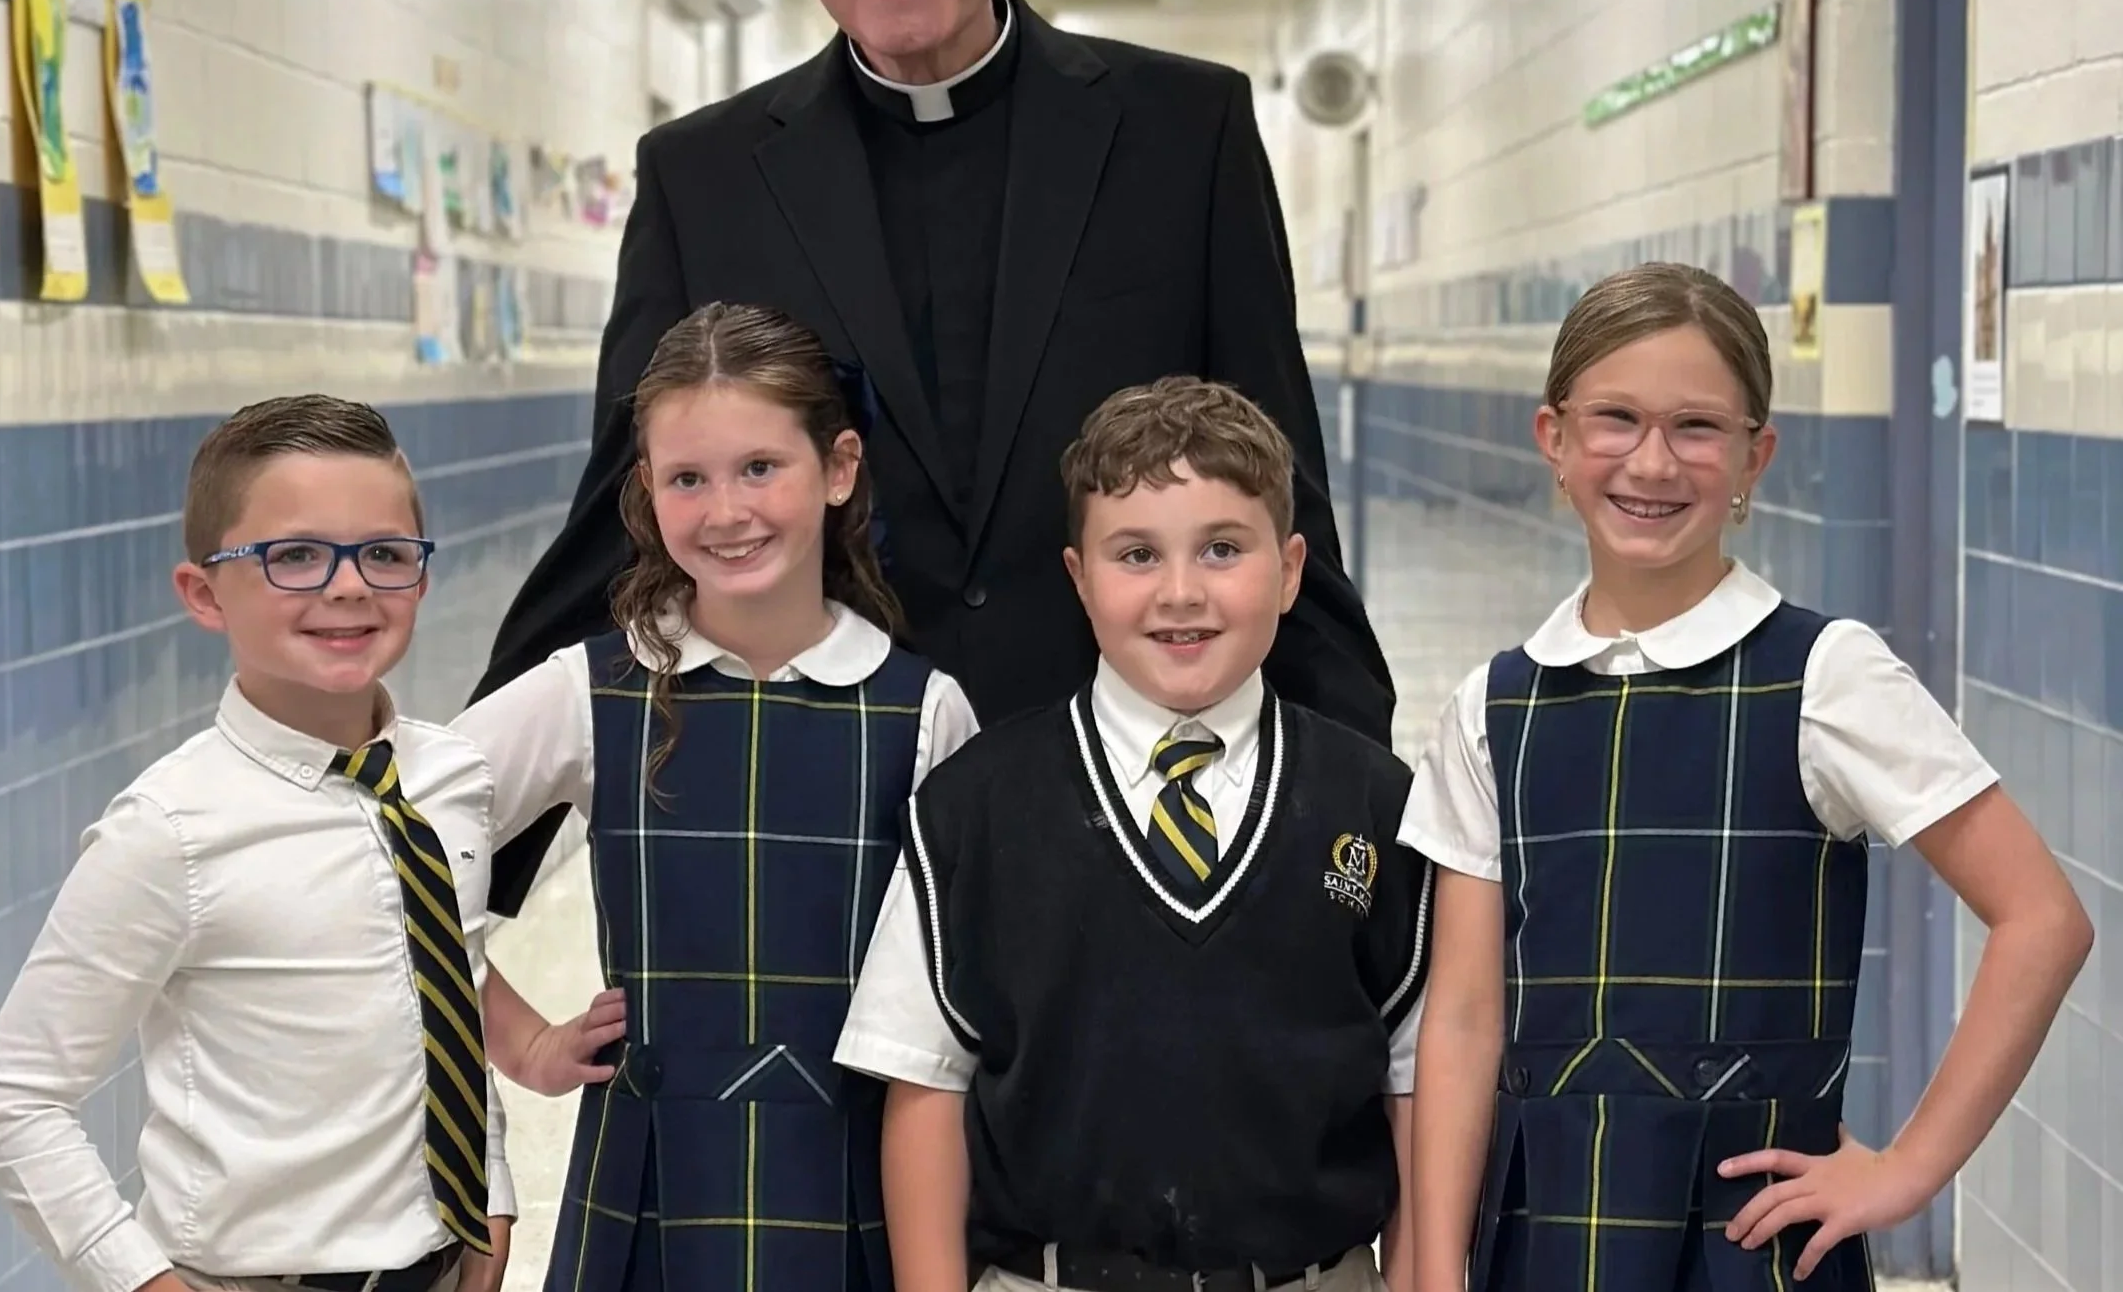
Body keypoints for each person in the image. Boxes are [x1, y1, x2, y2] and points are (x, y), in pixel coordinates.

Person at [470, 0, 1392, 745]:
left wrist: (1351, 809)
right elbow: (626, 506)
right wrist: (446, 824)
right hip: (833, 762)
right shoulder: (706, 176)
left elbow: (1277, 469)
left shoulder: (1181, 131)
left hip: (1118, 754)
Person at [1401, 263, 2094, 1292]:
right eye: (1615, 419)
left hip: (1747, 1247)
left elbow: (2042, 919)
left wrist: (1905, 1168)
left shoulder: (1823, 676)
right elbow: (1460, 1020)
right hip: (1543, 1231)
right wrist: (1431, 1261)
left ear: (1752, 458)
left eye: (1696, 428)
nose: (1652, 461)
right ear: (1553, 441)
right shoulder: (1492, 708)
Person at [837, 377, 1433, 1292]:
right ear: (1080, 577)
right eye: (1138, 555)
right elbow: (924, 1086)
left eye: (1223, 549)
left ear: (1290, 569)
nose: (1181, 593)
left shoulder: (1376, 804)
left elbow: (1414, 1086)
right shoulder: (976, 807)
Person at [452, 302, 979, 1292]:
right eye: (687, 479)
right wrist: (520, 1041)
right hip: (652, 1184)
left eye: (759, 469)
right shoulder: (587, 691)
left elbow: (973, 986)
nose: (726, 511)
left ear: (839, 468)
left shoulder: (925, 712)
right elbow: (380, 852)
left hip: (857, 1184)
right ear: (645, 494)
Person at [0, 396, 513, 1292]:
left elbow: (449, 1004)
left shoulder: (452, 780)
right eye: (294, 556)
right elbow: (14, 1100)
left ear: (421, 575)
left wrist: (493, 1197)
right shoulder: (171, 831)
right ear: (203, 593)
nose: (348, 586)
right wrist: (145, 1280)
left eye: (384, 553)